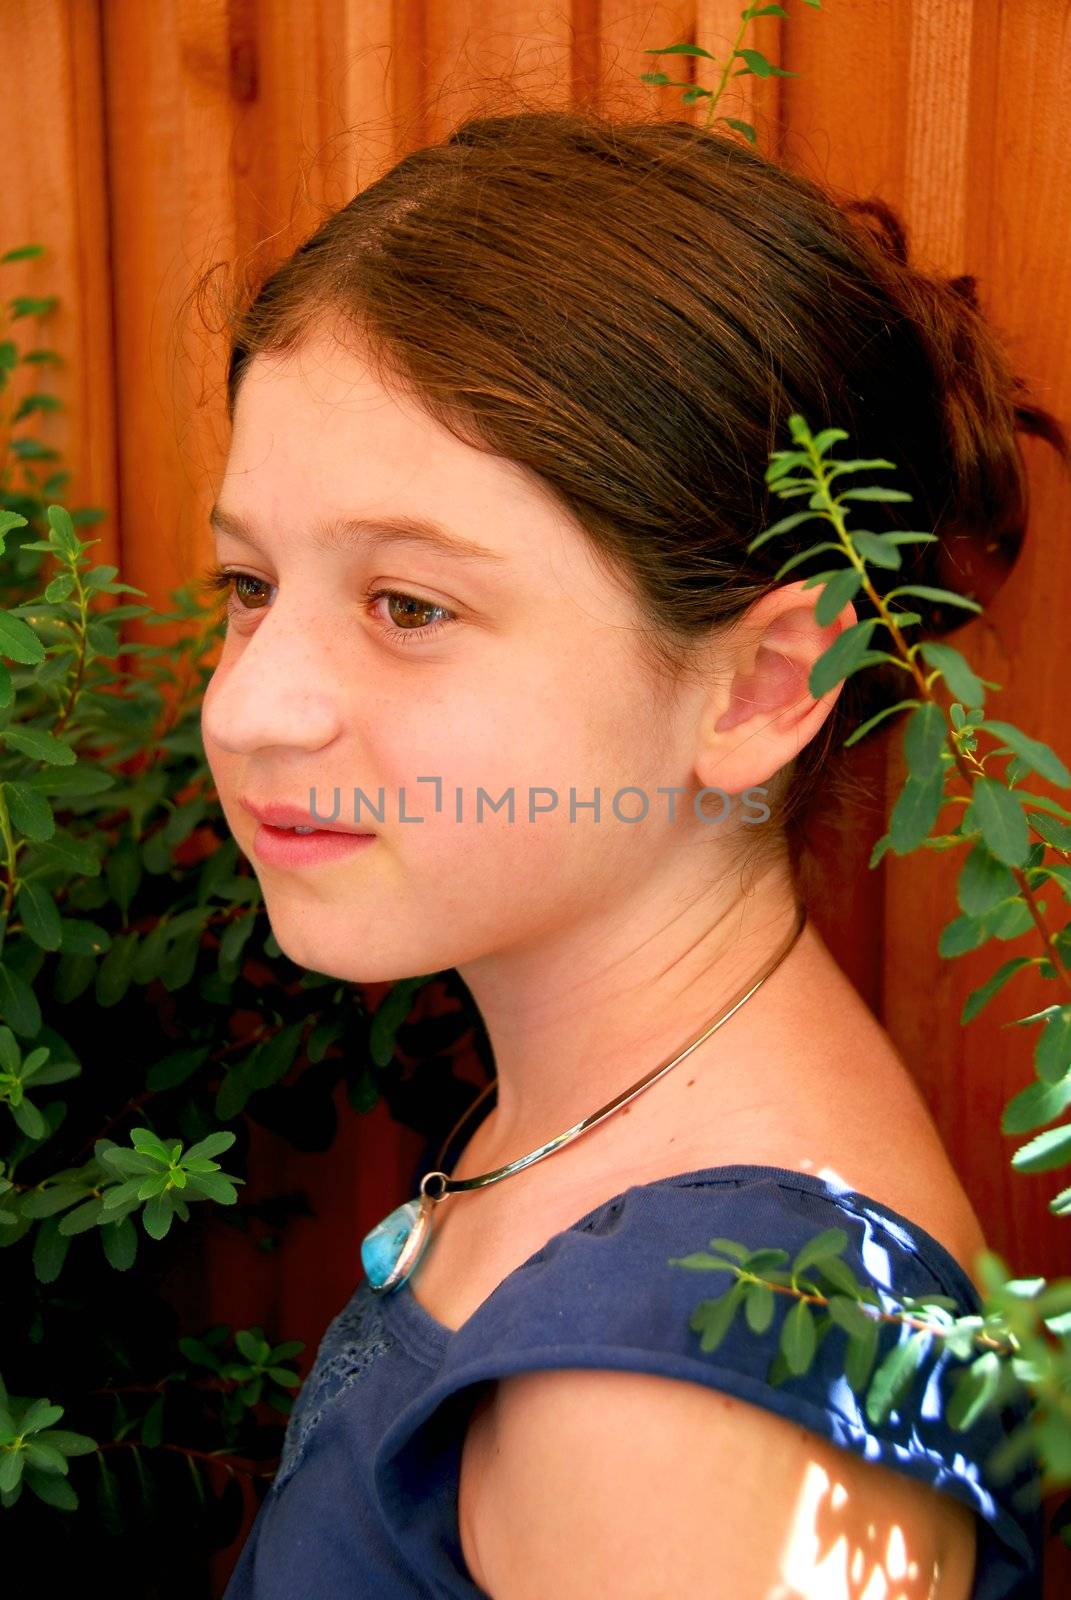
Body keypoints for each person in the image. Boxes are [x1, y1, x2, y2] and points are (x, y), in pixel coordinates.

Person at [200, 107, 1066, 1599]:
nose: (250, 705)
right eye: (251, 582)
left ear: (763, 684)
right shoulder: (594, 1108)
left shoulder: (683, 1411)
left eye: (410, 605)